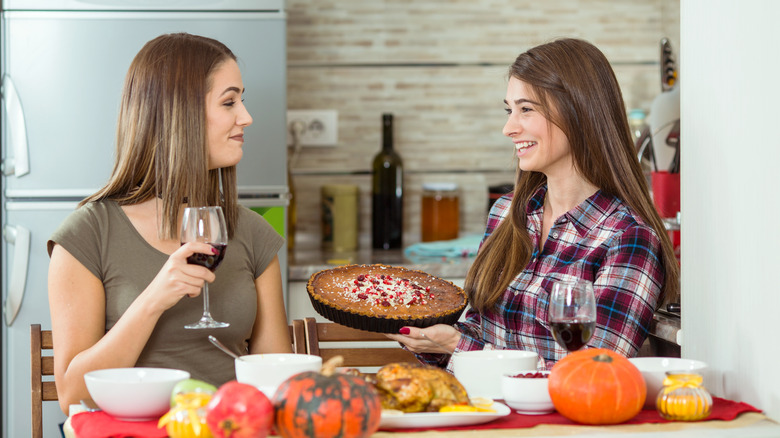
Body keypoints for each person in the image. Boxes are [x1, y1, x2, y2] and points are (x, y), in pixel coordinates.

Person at [388, 38, 679, 371]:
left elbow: (592, 372)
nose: (509, 128)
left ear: (578, 112)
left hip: (560, 425)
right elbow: (480, 329)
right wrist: (439, 343)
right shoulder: (507, 214)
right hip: (484, 413)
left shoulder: (627, 238)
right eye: (509, 110)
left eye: (526, 109)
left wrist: (461, 347)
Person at [47, 33, 291, 412]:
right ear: (180, 113)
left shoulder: (254, 233)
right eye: (229, 102)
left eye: (242, 100)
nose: (246, 116)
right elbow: (73, 395)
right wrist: (153, 300)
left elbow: (276, 379)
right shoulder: (88, 234)